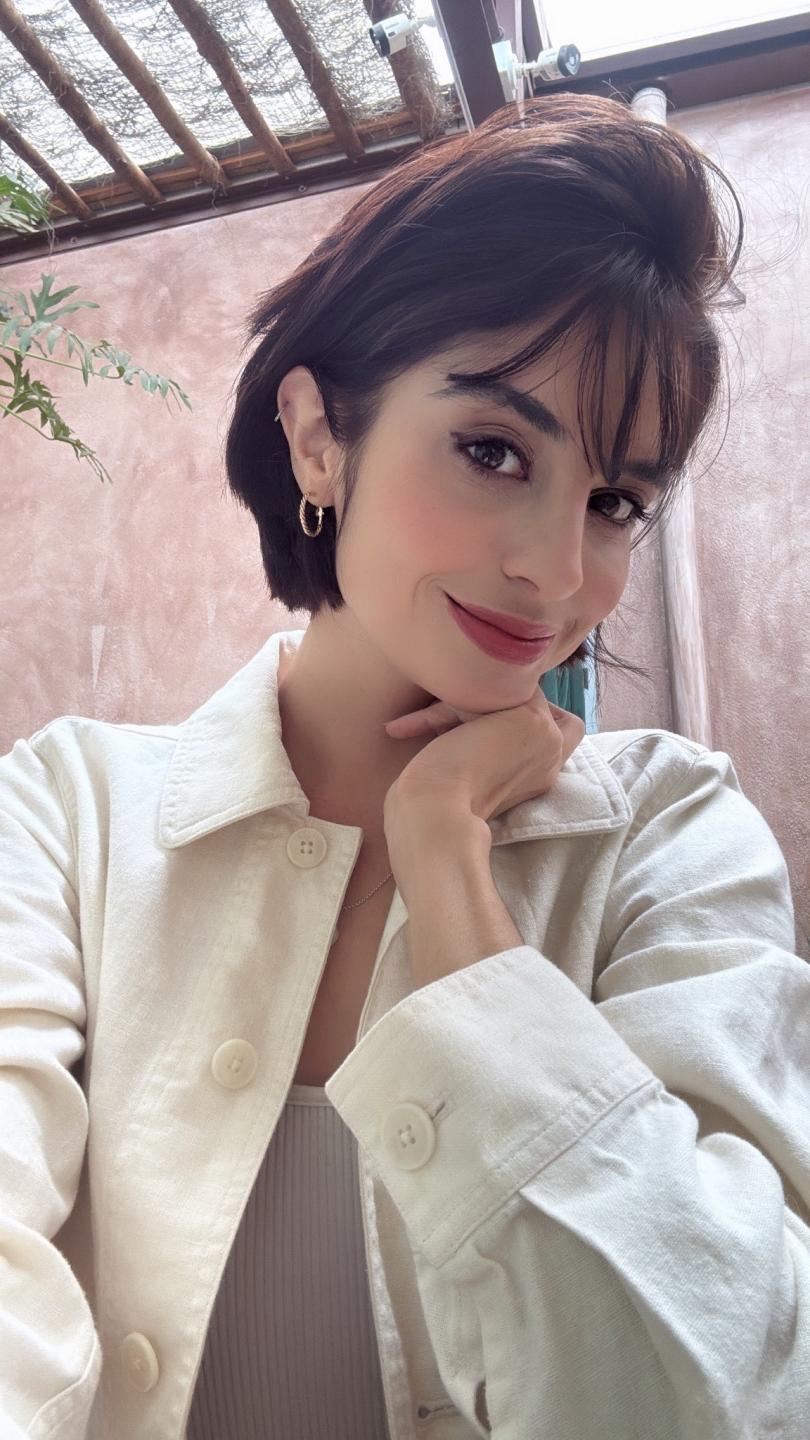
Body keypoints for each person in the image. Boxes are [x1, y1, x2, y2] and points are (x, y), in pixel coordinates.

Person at [1, 93, 807, 1440]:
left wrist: (450, 879)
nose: (557, 569)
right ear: (319, 437)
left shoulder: (669, 837)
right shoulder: (71, 810)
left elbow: (729, 1380)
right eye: (493, 450)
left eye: (614, 501)